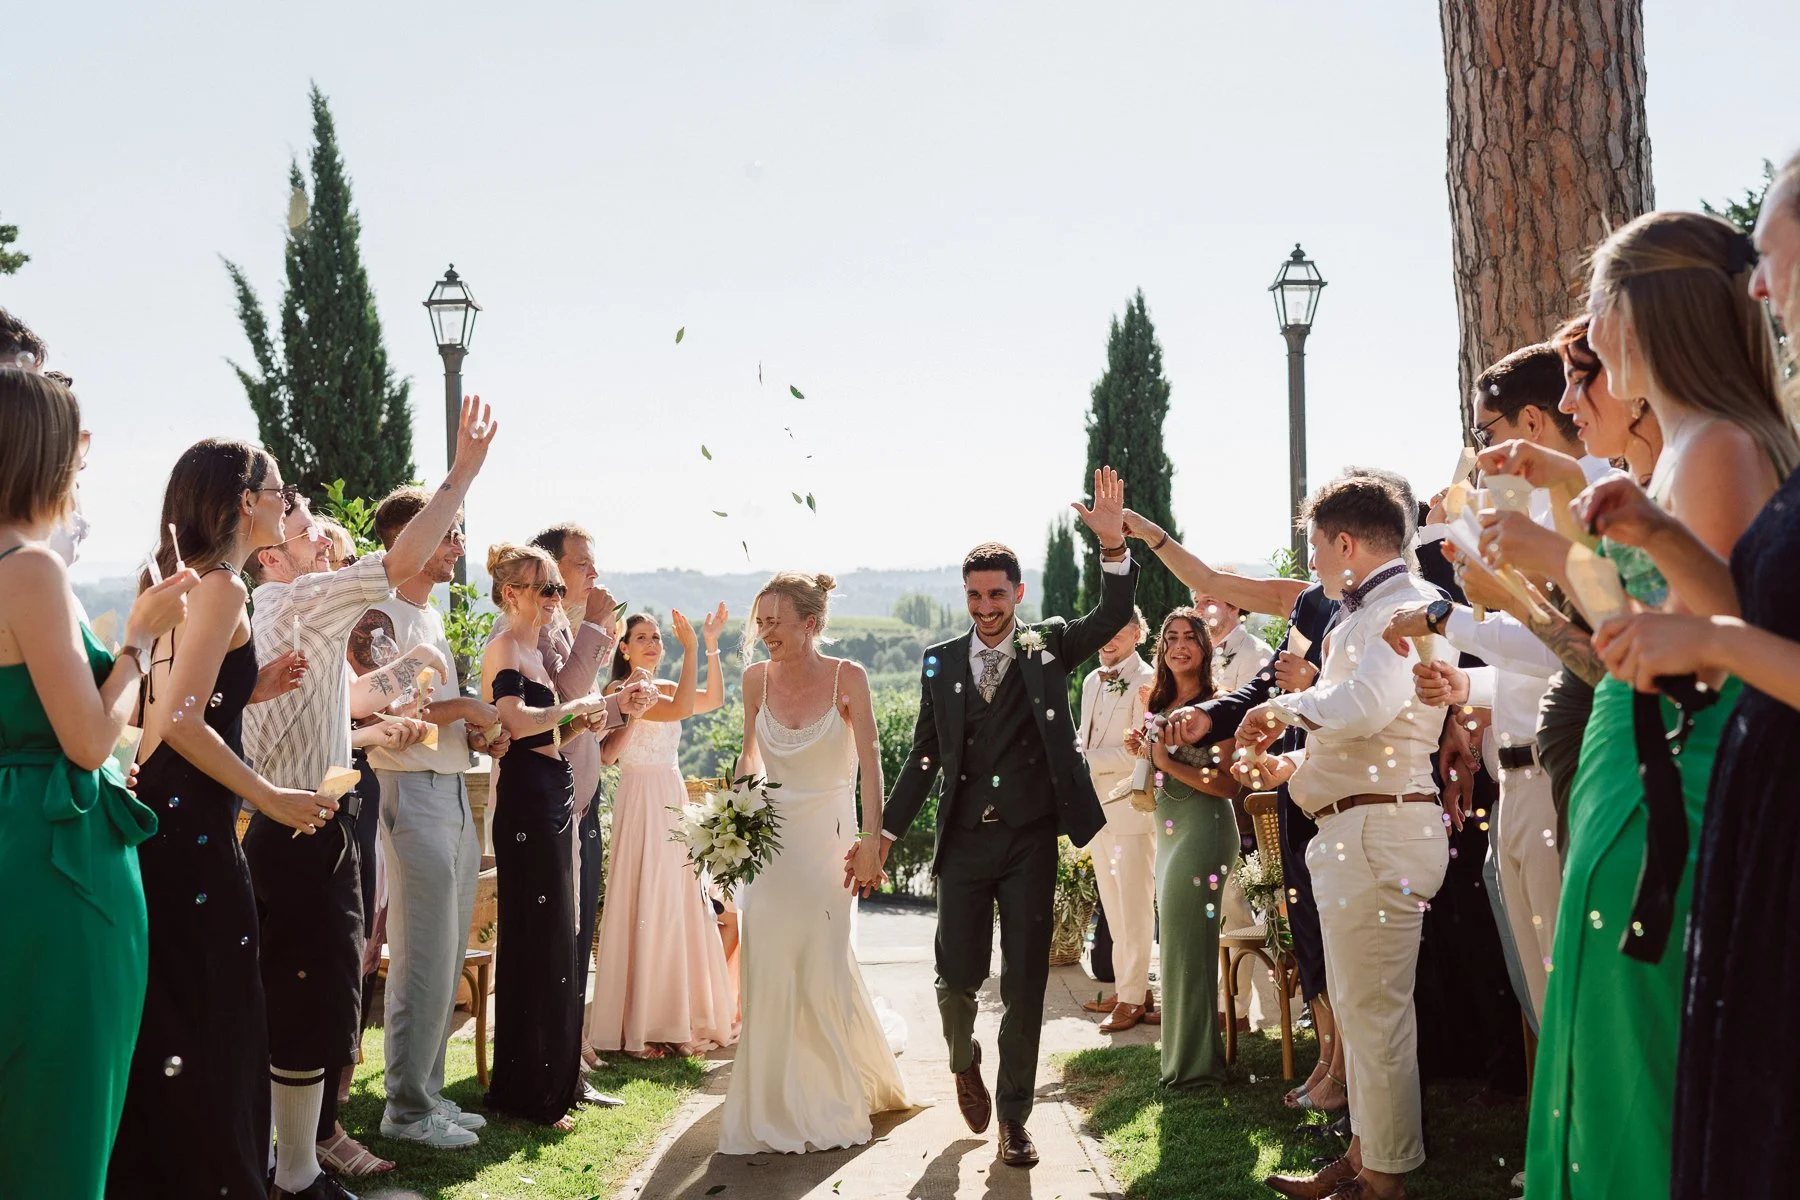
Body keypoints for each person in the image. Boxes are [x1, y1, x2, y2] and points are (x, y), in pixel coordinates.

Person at [1521, 209, 1793, 1200]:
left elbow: (1701, 650)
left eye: (1596, 314)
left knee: (1636, 1059)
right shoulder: (1680, 455)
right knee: (1602, 1041)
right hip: (1628, 763)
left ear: (1643, 314)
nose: (1585, 342)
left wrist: (1563, 564)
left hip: (1670, 777)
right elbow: (1662, 626)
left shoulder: (1718, 448)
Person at [240, 397, 496, 1199]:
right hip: (294, 827)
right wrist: (460, 474)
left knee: (320, 1002)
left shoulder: (286, 609)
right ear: (273, 555)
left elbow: (341, 712)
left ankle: (302, 1164)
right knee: (303, 1001)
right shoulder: (294, 601)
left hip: (319, 820)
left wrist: (402, 693)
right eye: (304, 520)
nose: (312, 525)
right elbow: (394, 561)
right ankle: (300, 1167)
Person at [878, 467, 1138, 1169]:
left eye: (997, 594)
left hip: (1030, 841)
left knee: (1024, 983)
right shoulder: (938, 664)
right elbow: (924, 758)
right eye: (974, 596)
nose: (985, 606)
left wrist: (1113, 548)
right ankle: (964, 1060)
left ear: (1018, 593)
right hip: (962, 842)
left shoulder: (1046, 644)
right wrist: (885, 833)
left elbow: (1112, 616)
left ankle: (1015, 1121)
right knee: (956, 979)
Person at [102, 438, 328, 1197]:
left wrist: (248, 690)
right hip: (197, 828)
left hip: (161, 813)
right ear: (245, 501)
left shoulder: (171, 580)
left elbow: (167, 712)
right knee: (221, 1019)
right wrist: (272, 798)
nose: (287, 501)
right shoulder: (227, 586)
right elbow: (190, 723)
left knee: (171, 1017)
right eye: (278, 489)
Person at [0, 370, 196, 1200]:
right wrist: (140, 642)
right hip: (59, 867)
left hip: (26, 843)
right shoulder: (31, 569)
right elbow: (85, 738)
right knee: (61, 1116)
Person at [1380, 342, 1607, 1029]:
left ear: (1532, 424)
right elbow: (1538, 662)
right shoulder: (1532, 517)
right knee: (1543, 1001)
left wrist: (1455, 616)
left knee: (1573, 1001)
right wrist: (1464, 688)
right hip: (1513, 777)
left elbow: (1581, 649)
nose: (1479, 453)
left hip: (1556, 773)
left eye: (1485, 433)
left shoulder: (1590, 503)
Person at [1241, 476, 1451, 1200]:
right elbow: (1361, 731)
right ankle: (1363, 1158)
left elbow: (1365, 706)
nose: (1315, 563)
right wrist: (1292, 761)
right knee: (1361, 1013)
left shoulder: (1406, 609)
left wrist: (1281, 707)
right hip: (1357, 823)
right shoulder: (1365, 613)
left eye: (1316, 548)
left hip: (1381, 830)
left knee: (1375, 1014)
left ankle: (1383, 1181)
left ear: (1346, 543)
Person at [718, 572, 910, 1153]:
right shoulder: (755, 680)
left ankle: (828, 1096)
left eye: (775, 620)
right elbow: (749, 759)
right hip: (772, 846)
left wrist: (875, 839)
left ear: (809, 622)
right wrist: (731, 825)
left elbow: (872, 763)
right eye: (761, 620)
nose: (764, 631)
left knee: (821, 961)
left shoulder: (848, 677)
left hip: (831, 840)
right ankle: (770, 1100)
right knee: (770, 962)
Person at [350, 487, 506, 1149]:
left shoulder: (429, 616)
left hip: (448, 790)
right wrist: (469, 707)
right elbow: (376, 718)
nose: (459, 548)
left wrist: (476, 734)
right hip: (407, 796)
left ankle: (431, 1095)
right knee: (419, 956)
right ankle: (406, 1111)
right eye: (449, 535)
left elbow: (432, 712)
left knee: (443, 954)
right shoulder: (374, 615)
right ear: (409, 539)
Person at [480, 543, 616, 1127]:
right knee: (537, 941)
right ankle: (529, 1089)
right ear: (513, 594)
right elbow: (514, 722)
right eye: (547, 588)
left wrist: (591, 714)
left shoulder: (537, 652)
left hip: (553, 791)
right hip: (525, 804)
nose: (558, 599)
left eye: (559, 587)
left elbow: (546, 736)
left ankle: (551, 1083)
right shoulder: (505, 648)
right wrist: (578, 708)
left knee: (560, 939)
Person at [587, 603, 737, 1058]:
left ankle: (679, 1014)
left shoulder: (661, 687)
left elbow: (712, 700)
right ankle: (645, 1021)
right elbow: (683, 709)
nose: (654, 644)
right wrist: (689, 648)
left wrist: (708, 645)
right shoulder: (621, 689)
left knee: (676, 898)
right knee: (647, 896)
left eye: (658, 638)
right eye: (644, 638)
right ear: (625, 650)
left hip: (670, 794)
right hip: (641, 797)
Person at [525, 522, 640, 1074]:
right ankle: (558, 1055)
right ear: (550, 570)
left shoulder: (568, 633)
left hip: (584, 799)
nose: (594, 574)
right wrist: (598, 624)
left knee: (578, 930)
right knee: (561, 933)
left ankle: (571, 1049)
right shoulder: (542, 634)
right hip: (551, 802)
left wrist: (623, 710)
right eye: (582, 565)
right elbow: (568, 696)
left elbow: (585, 712)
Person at [1134, 608, 1240, 1086]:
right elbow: (1154, 775)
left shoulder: (1218, 706)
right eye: (1171, 637)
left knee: (1189, 948)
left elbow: (1226, 786)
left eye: (1190, 638)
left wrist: (1164, 761)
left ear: (1204, 648)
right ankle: (1179, 1058)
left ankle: (1195, 1068)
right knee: (1175, 946)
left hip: (1205, 832)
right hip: (1170, 831)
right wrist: (1144, 754)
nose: (1179, 646)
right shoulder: (1158, 701)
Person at [1074, 607, 1158, 1033]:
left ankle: (1130, 1000)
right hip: (1097, 810)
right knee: (1112, 905)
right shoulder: (1091, 680)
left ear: (1138, 634)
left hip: (1130, 808)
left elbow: (1138, 750)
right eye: (1105, 629)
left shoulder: (1147, 681)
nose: (1109, 638)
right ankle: (1134, 990)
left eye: (1120, 629)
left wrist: (1080, 760)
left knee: (1134, 907)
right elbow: (1087, 737)